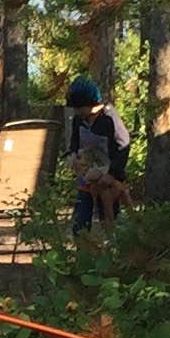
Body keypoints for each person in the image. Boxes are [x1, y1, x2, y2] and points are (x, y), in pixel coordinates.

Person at [65, 75, 131, 230]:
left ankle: (112, 247)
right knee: (80, 219)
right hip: (87, 177)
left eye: (79, 108)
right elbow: (75, 141)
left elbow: (124, 146)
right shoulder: (78, 120)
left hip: (108, 179)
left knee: (108, 217)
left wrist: (112, 174)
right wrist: (73, 155)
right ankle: (82, 246)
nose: (76, 112)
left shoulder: (109, 118)